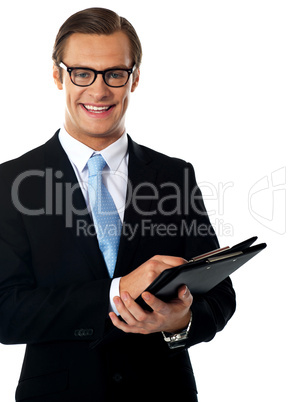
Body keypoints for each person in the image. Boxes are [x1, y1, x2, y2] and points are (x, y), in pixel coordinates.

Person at [0, 8, 236, 402]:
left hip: (164, 392)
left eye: (114, 73)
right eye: (82, 73)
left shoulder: (174, 175)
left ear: (135, 78)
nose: (98, 90)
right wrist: (117, 291)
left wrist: (182, 320)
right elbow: (6, 312)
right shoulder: (11, 182)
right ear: (58, 75)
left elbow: (220, 294)